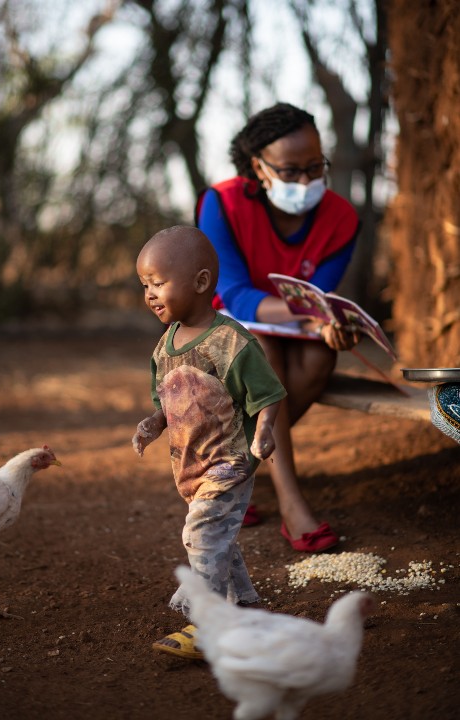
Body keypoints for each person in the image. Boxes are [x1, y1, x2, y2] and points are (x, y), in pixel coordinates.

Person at [196, 102, 361, 552]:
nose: (306, 182)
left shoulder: (342, 219)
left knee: (321, 354)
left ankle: (236, 470)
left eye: (315, 167)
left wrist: (327, 323)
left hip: (296, 334)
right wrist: (312, 314)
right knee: (261, 350)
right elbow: (233, 293)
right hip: (225, 334)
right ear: (259, 167)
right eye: (290, 171)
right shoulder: (222, 203)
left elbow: (320, 296)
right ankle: (292, 504)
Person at [132, 225, 286, 660]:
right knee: (220, 539)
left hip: (229, 462)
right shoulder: (164, 347)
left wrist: (265, 431)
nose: (149, 293)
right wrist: (153, 423)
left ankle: (209, 625)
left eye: (158, 283)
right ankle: (248, 608)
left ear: (200, 282)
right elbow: (169, 401)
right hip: (191, 466)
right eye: (145, 285)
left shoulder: (230, 342)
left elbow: (268, 393)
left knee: (201, 534)